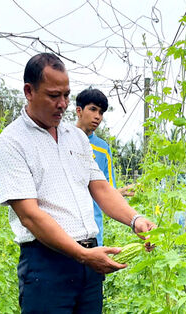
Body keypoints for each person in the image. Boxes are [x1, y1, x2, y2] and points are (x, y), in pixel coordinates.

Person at [0, 52, 155, 313]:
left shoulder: (75, 138)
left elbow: (100, 188)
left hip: (90, 263)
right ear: (29, 91)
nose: (63, 104)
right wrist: (82, 255)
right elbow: (30, 216)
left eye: (66, 95)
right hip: (46, 265)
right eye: (54, 95)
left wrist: (136, 219)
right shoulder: (11, 144)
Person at [75, 88, 134, 246]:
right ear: (79, 111)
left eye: (101, 113)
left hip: (94, 230)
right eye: (93, 109)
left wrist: (121, 192)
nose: (97, 117)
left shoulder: (103, 149)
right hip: (67, 230)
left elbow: (108, 190)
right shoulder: (63, 140)